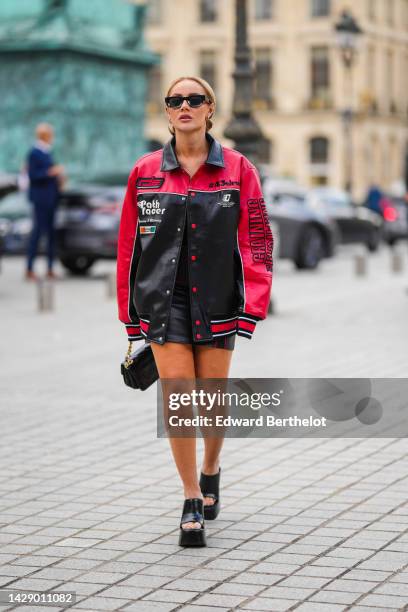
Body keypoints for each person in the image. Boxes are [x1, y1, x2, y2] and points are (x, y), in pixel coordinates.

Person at [116, 76, 273, 547]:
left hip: (219, 298)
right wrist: (130, 314)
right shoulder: (144, 171)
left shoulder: (239, 169)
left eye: (194, 99)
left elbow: (259, 240)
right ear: (166, 112)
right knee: (180, 398)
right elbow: (128, 245)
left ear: (210, 109)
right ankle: (189, 499)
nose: (184, 106)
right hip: (164, 303)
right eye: (175, 100)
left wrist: (254, 303)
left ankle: (211, 469)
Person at [25, 123, 66, 280]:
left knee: (50, 234)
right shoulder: (34, 153)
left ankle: (50, 267)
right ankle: (29, 268)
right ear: (45, 135)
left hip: (51, 198)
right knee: (37, 232)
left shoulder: (47, 152)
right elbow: (34, 176)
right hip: (41, 199)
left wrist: (59, 179)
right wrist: (51, 172)